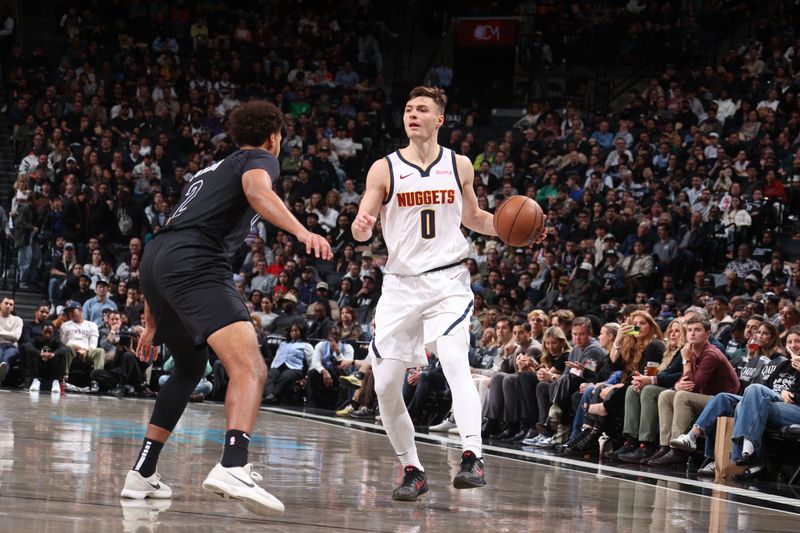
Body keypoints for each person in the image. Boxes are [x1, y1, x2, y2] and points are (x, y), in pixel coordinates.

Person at [120, 100, 331, 515]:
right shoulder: (259, 158)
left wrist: (150, 323)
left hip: (156, 260)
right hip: (195, 262)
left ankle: (142, 472)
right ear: (274, 137)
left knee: (189, 369)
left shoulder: (208, 171)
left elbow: (167, 246)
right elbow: (257, 192)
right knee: (250, 367)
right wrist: (303, 230)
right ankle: (234, 464)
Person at [351, 86, 545, 501]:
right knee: (385, 384)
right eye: (407, 109)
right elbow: (360, 222)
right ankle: (412, 469)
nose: (412, 114)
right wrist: (362, 226)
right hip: (400, 286)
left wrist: (515, 232)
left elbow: (473, 216)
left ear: (440, 119)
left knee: (455, 360)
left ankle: (473, 455)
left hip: (447, 281)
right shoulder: (384, 168)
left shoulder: (458, 166)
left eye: (422, 109)